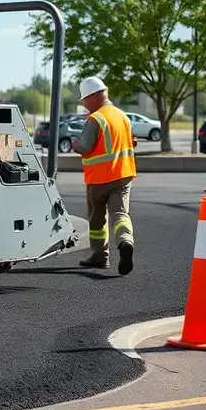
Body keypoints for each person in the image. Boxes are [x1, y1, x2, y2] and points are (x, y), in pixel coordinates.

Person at [70, 76, 137, 275]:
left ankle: (100, 256)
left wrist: (75, 145)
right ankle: (125, 241)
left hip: (99, 178)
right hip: (123, 175)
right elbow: (131, 142)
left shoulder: (96, 119)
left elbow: (86, 147)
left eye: (84, 99)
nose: (83, 103)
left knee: (97, 218)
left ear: (94, 97)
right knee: (121, 214)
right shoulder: (123, 116)